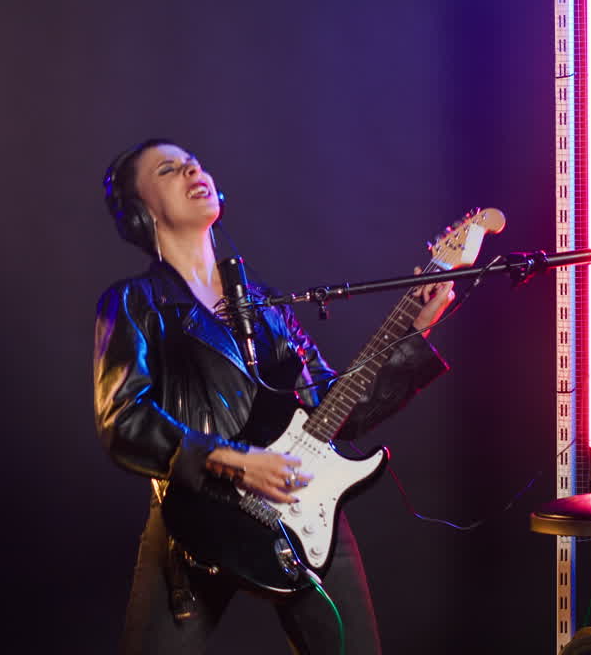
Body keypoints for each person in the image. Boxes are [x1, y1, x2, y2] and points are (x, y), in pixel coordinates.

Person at [93, 138, 454, 655]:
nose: (194, 172)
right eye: (171, 170)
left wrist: (412, 331)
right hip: (196, 520)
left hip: (301, 505)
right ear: (139, 213)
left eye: (196, 163)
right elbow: (122, 421)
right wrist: (236, 462)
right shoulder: (134, 302)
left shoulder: (259, 300)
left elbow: (335, 409)